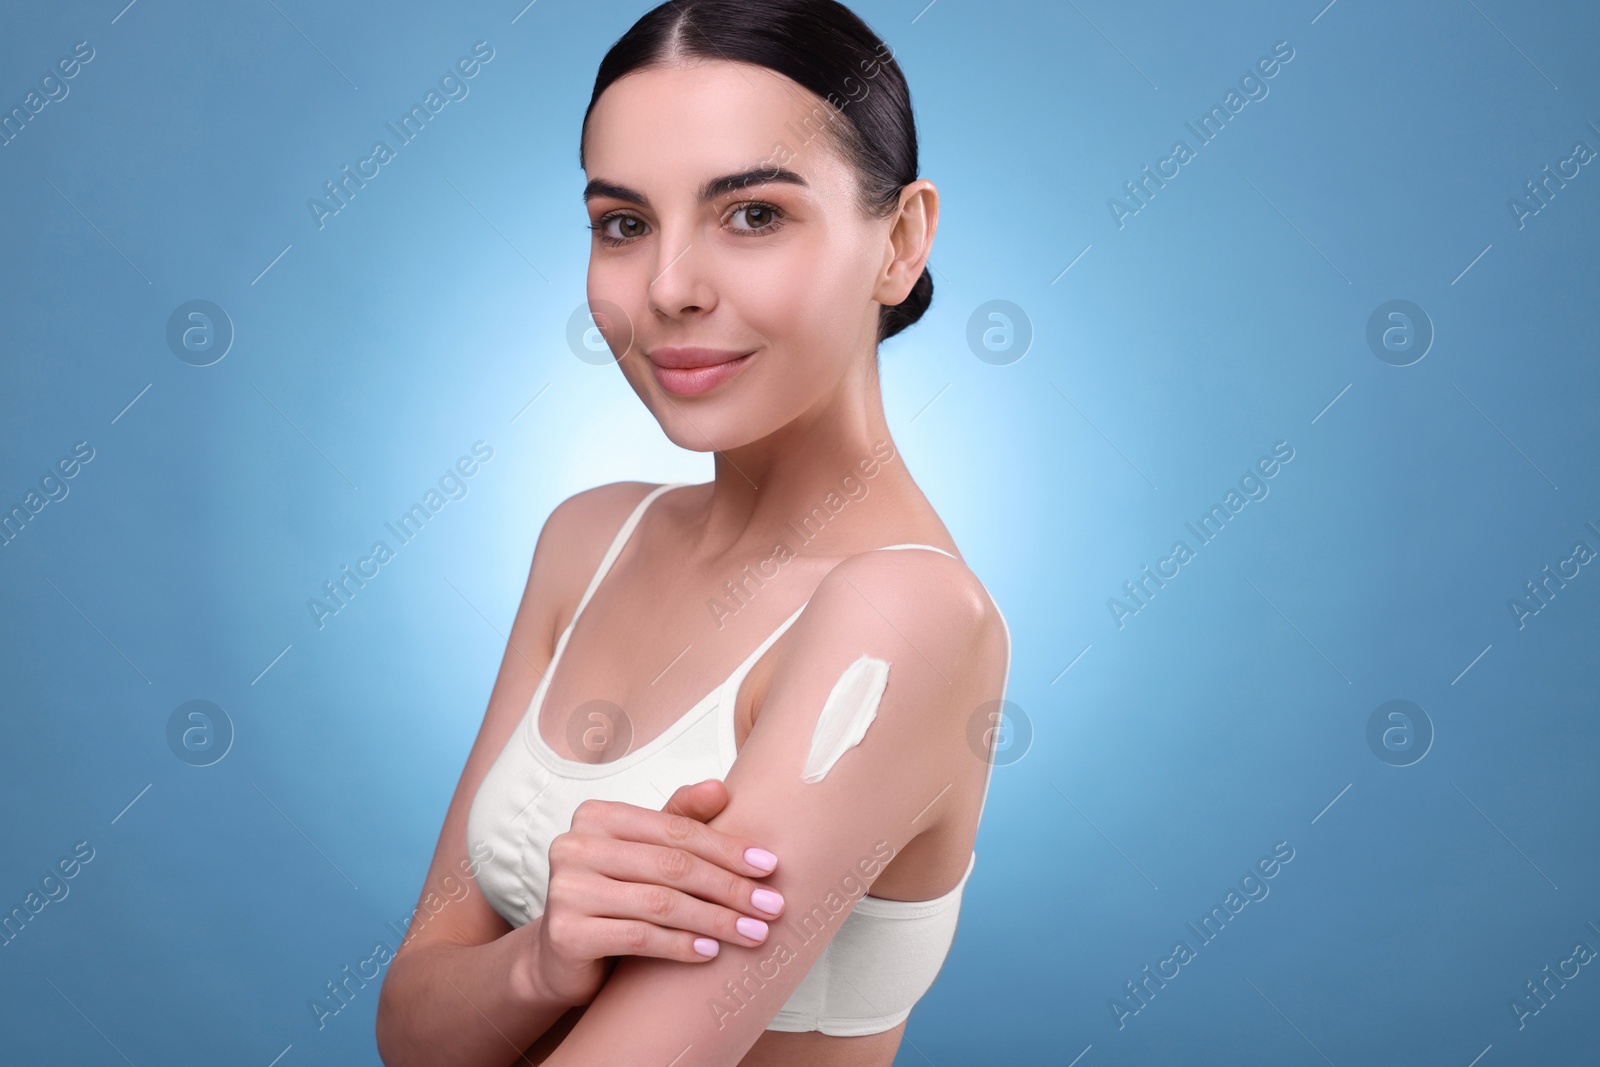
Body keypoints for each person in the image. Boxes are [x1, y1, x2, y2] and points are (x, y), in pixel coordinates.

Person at [375, 2, 1011, 1063]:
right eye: (623, 223)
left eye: (752, 214)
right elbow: (410, 1025)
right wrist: (540, 960)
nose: (668, 287)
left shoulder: (904, 619)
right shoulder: (589, 539)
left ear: (898, 241)